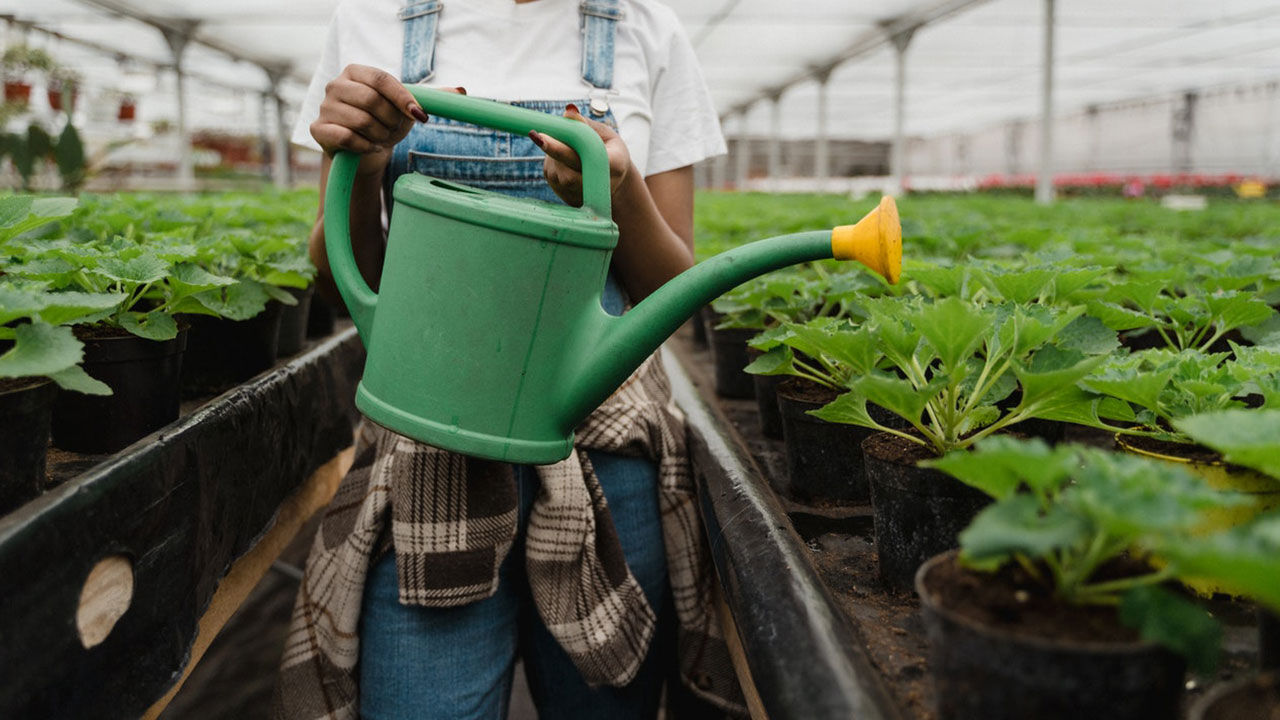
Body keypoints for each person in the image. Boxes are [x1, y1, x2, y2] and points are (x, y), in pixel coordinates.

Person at [270, 1, 745, 719]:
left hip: (605, 446)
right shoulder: (370, 19)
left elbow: (670, 294)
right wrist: (363, 166)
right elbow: (344, 276)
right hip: (430, 450)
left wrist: (617, 198)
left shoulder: (647, 27)